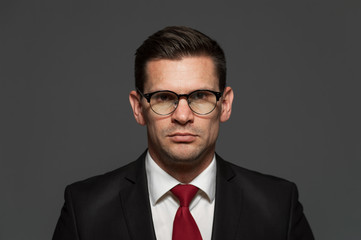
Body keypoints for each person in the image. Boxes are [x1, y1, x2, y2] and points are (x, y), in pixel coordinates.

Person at [53, 26, 314, 240]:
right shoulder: (86, 211)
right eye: (164, 97)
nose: (182, 116)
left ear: (225, 105)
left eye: (200, 96)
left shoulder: (278, 207)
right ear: (138, 108)